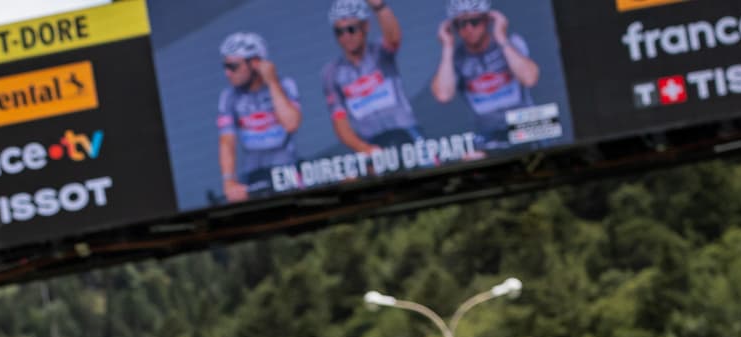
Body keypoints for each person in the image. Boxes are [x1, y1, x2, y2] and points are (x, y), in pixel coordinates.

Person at [429, 1, 541, 153]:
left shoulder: (512, 42)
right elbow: (443, 95)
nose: (469, 29)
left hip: (526, 125)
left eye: (474, 21)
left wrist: (501, 37)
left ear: (487, 20)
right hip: (488, 136)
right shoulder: (456, 58)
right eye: (461, 24)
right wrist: (447, 47)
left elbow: (530, 79)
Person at [321, 0, 421, 158]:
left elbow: (393, 38)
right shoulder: (331, 73)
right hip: (370, 142)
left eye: (351, 29)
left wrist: (379, 6)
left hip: (406, 131)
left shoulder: (380, 52)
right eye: (339, 32)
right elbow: (340, 122)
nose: (346, 36)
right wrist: (365, 149)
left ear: (365, 26)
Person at [216, 33, 302, 202]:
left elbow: (291, 124)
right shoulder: (229, 97)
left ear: (255, 63)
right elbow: (227, 142)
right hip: (252, 176)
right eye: (225, 66)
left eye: (233, 66)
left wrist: (272, 82)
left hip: (287, 170)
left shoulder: (284, 85)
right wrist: (229, 182)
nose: (227, 73)